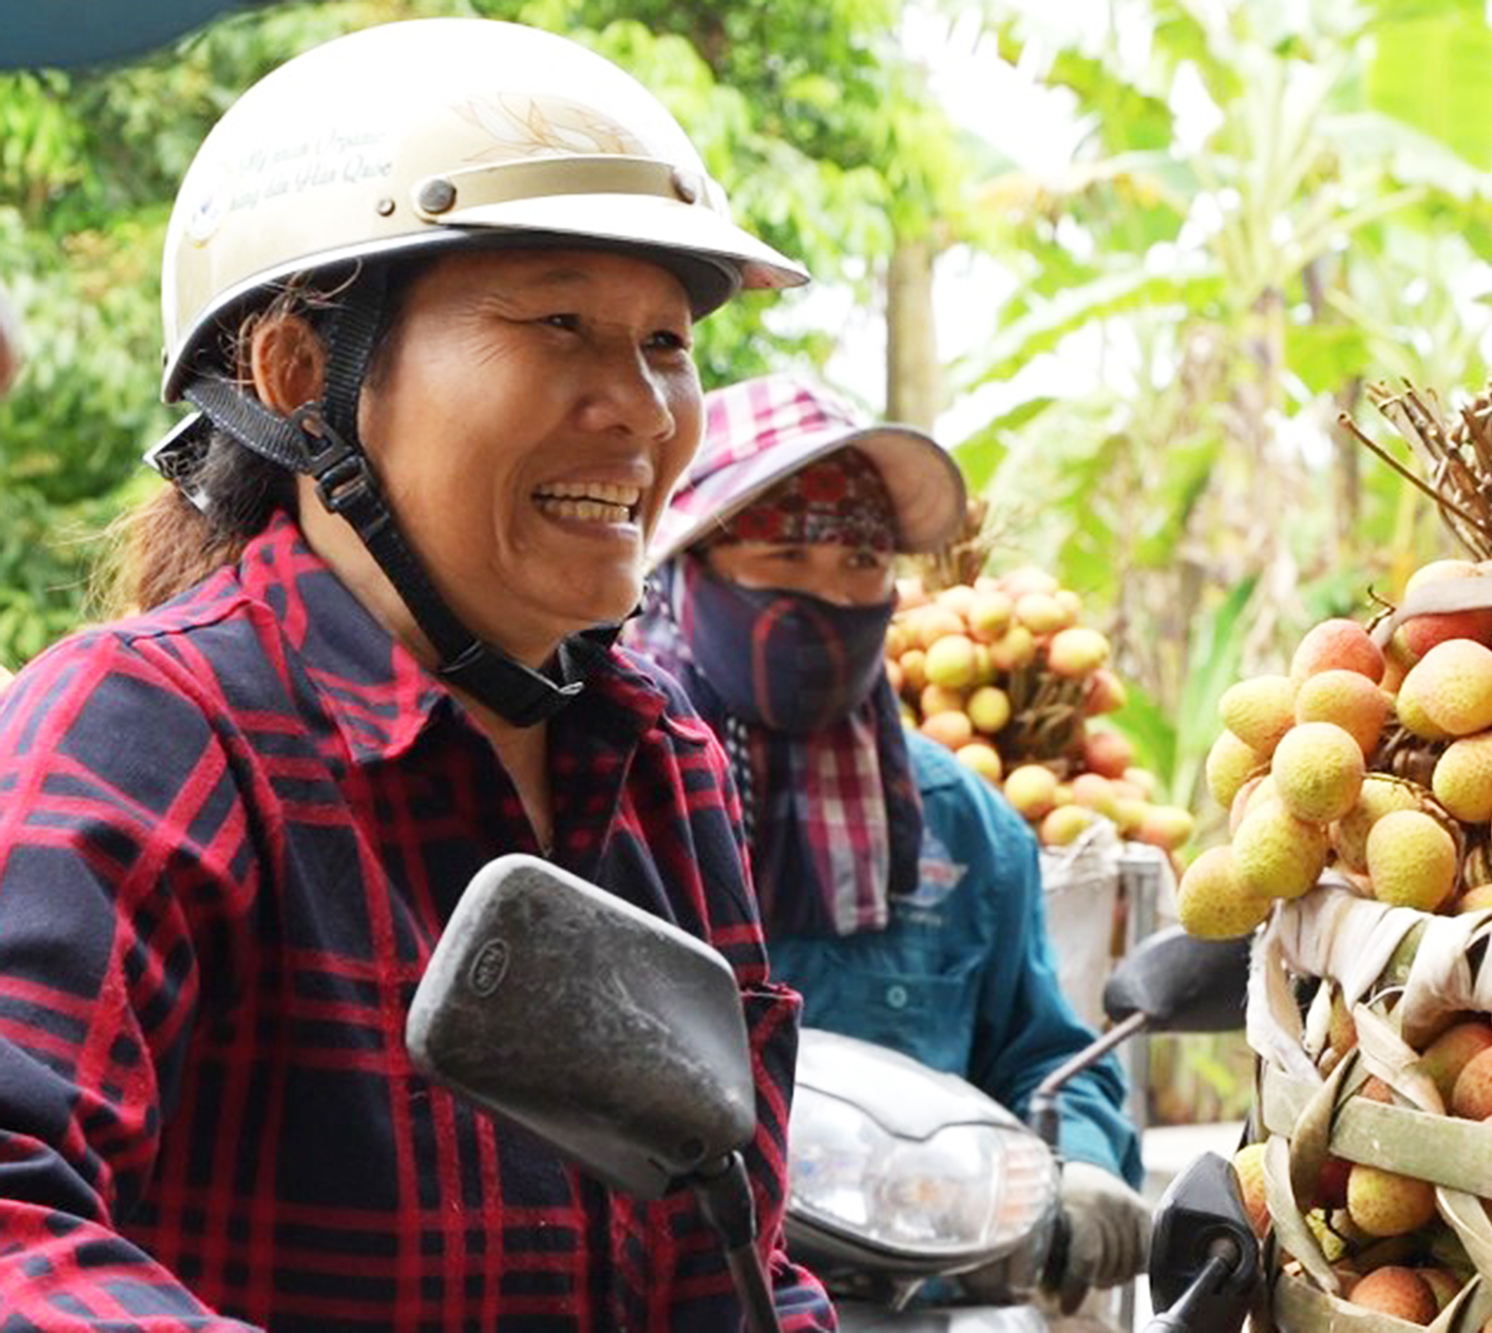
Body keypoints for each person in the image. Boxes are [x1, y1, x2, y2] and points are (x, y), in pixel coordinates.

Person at [0, 19, 834, 1330]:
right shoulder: (148, 730)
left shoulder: (661, 760)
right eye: (560, 319)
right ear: (301, 375)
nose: (637, 407)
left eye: (666, 344)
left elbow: (731, 1260)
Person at [626, 373, 1151, 1310]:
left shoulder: (963, 827)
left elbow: (1041, 1054)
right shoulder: (605, 786)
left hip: (905, 1303)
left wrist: (1078, 1160)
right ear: (685, 568)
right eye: (785, 557)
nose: (829, 599)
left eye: (862, 568)